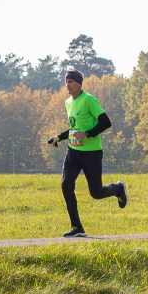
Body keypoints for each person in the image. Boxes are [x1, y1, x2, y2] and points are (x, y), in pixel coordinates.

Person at [47, 68, 128, 237]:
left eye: (71, 82)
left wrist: (88, 134)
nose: (67, 85)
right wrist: (58, 138)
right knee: (66, 185)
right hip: (73, 152)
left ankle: (118, 189)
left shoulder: (89, 100)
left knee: (96, 193)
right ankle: (77, 227)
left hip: (91, 152)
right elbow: (75, 127)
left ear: (79, 83)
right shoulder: (68, 102)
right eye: (66, 82)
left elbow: (106, 123)